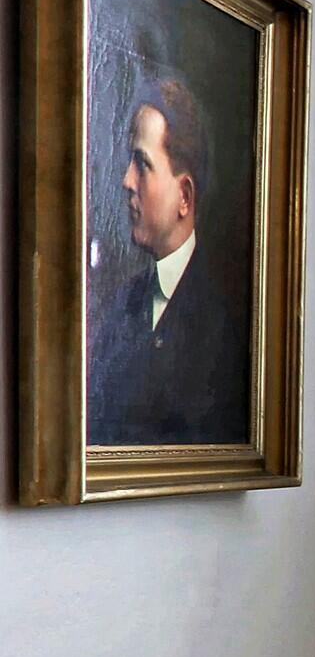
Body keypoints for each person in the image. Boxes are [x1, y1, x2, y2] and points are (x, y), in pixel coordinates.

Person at [91, 78, 249, 445]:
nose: (126, 180)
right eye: (130, 162)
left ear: (184, 196)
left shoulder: (220, 329)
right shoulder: (122, 305)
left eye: (142, 164)